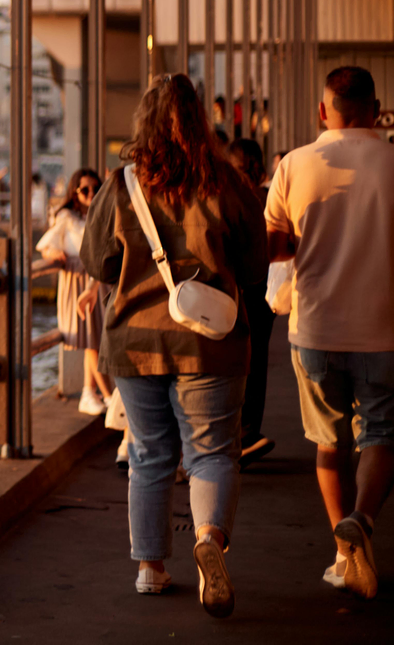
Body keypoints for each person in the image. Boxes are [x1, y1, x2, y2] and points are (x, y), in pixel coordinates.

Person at [79, 74, 265, 618]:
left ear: (144, 122)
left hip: (136, 343)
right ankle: (208, 535)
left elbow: (97, 262)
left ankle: (151, 568)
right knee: (210, 452)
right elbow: (254, 267)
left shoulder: (123, 184)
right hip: (211, 342)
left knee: (150, 455)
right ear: (201, 120)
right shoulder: (227, 183)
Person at [265, 65, 394, 601]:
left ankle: (344, 555)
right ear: (377, 109)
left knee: (327, 442)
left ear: (324, 111)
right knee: (383, 436)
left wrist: (312, 241)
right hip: (386, 330)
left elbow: (271, 245)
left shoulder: (295, 165)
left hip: (315, 328)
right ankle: (362, 520)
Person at [39, 167, 109, 415]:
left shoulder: (101, 214)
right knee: (92, 340)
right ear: (74, 192)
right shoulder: (66, 217)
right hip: (79, 281)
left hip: (98, 281)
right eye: (85, 189)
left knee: (97, 338)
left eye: (96, 188)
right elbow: (46, 245)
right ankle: (105, 395)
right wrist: (52, 254)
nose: (91, 193)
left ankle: (91, 392)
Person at [224, 137, 277, 468]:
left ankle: (238, 435)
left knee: (235, 364)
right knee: (256, 362)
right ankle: (246, 432)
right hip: (262, 293)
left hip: (238, 292)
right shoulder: (267, 198)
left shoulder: (231, 199)